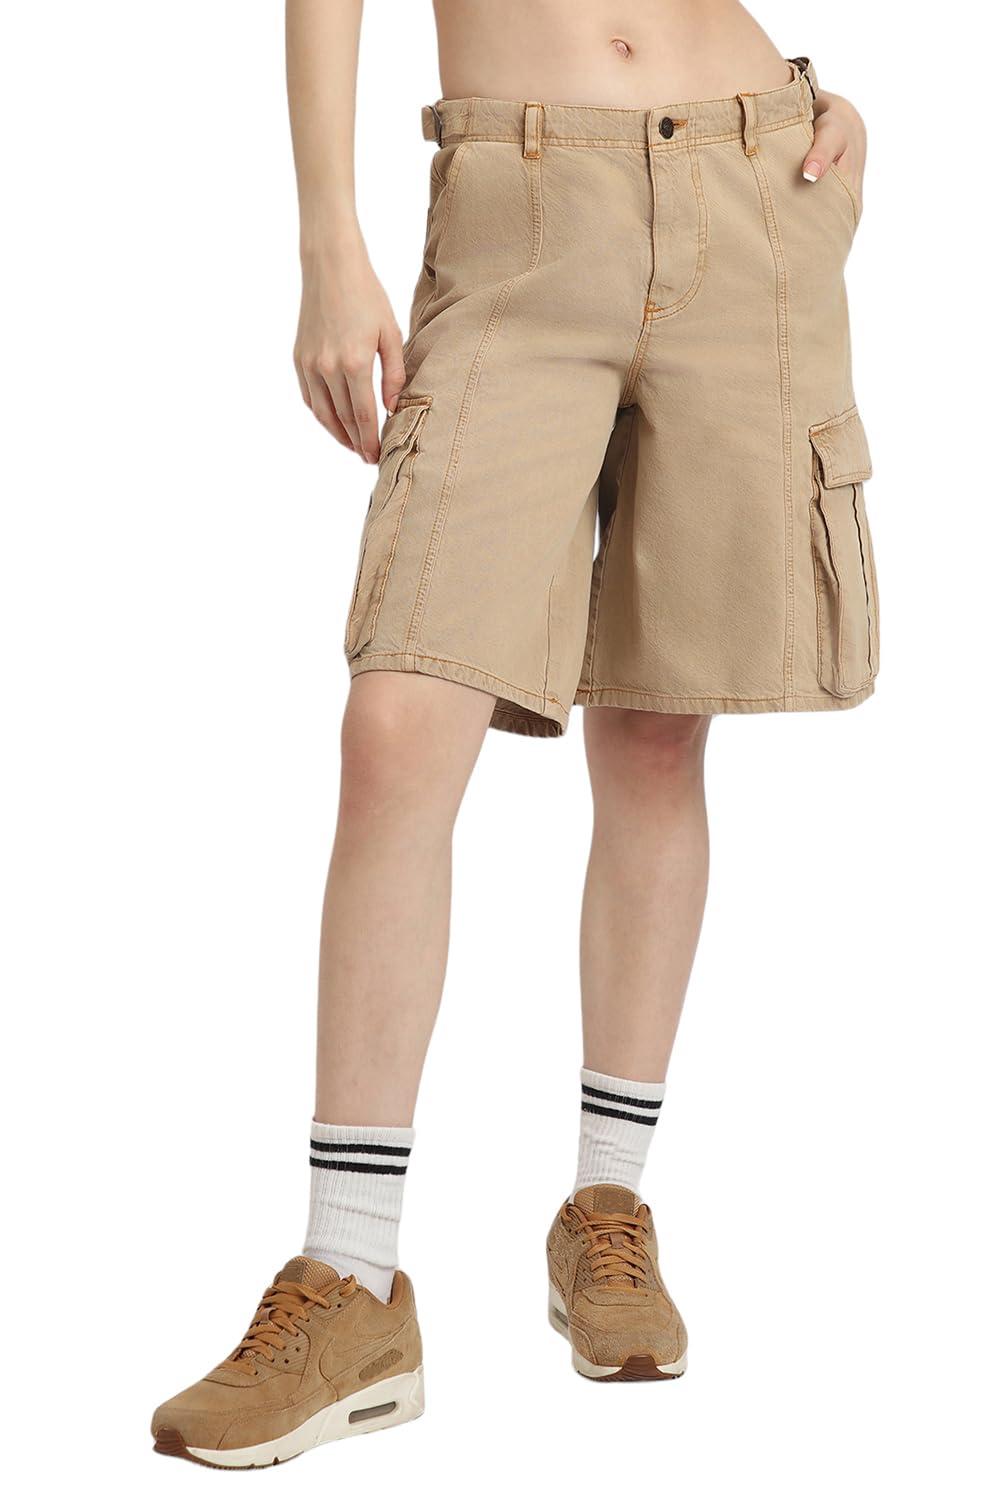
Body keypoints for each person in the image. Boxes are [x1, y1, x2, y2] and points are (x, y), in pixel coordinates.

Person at [151, 0, 875, 1467]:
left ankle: (608, 1205)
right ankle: (351, 1276)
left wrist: (815, 97)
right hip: (517, 212)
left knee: (660, 733)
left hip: (752, 183)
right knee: (399, 722)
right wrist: (327, 237)